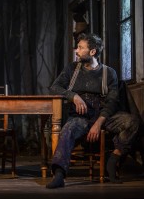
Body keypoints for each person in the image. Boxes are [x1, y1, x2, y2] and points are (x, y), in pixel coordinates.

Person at [46, 33, 140, 189]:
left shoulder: (109, 73)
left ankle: (113, 160)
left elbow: (112, 101)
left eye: (81, 48)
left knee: (133, 121)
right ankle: (59, 174)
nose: (77, 51)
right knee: (68, 129)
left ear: (93, 52)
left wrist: (98, 123)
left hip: (104, 114)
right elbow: (54, 87)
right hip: (81, 116)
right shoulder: (71, 69)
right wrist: (73, 96)